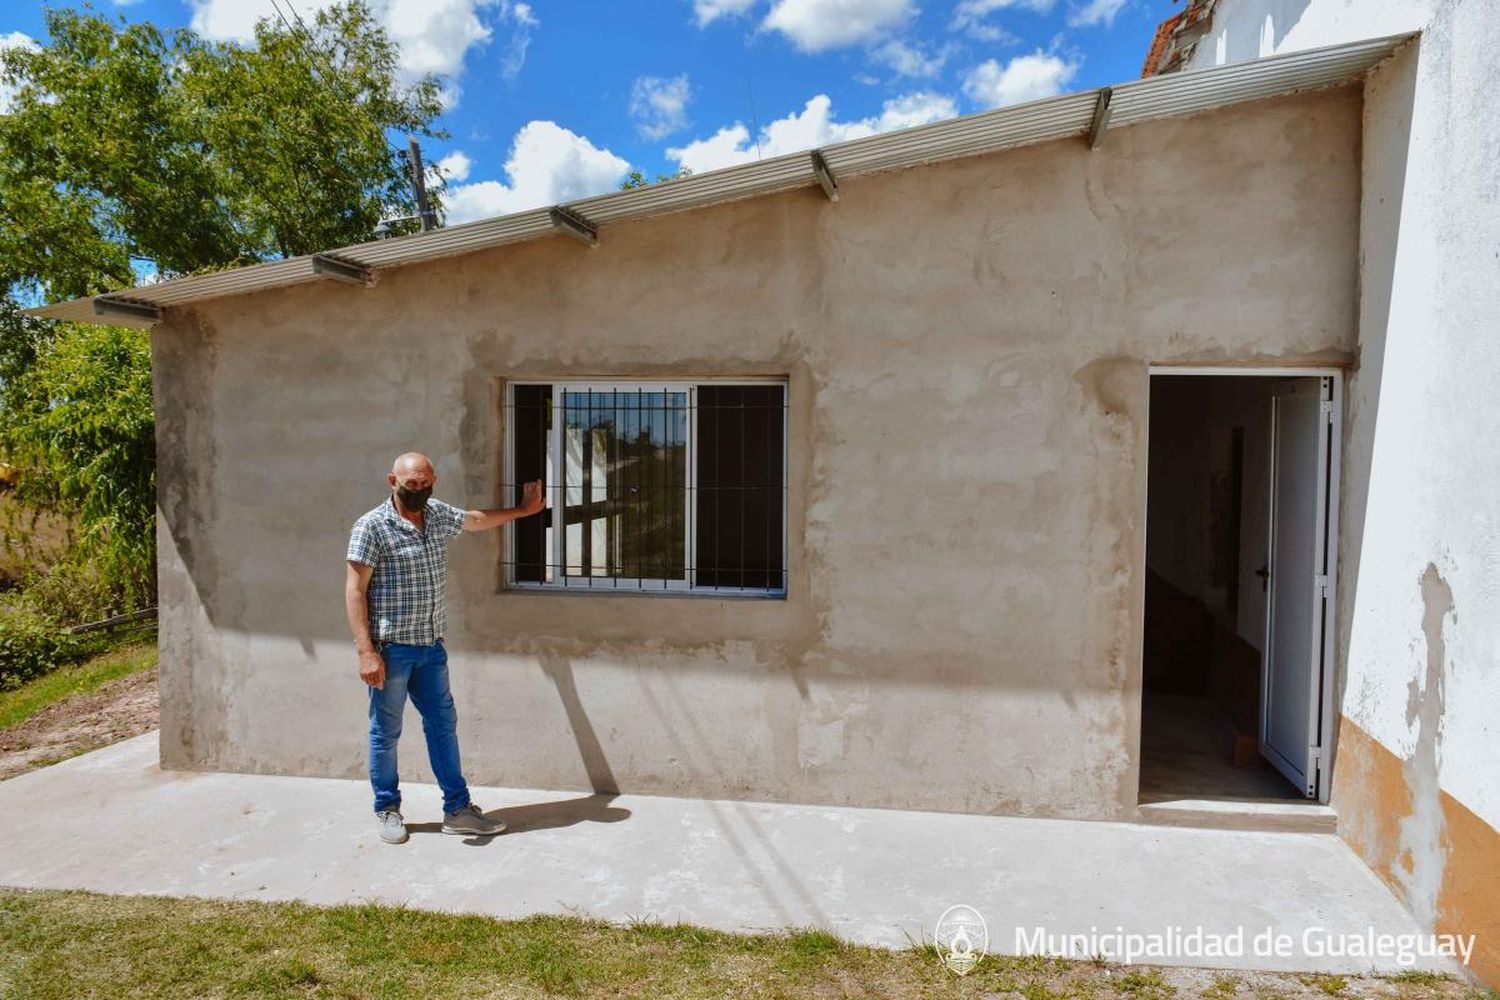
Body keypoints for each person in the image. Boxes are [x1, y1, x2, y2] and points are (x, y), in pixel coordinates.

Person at [345, 452, 545, 844]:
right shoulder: (372, 527)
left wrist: (522, 511)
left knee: (443, 728)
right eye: (410, 484)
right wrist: (365, 651)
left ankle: (457, 810)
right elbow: (355, 590)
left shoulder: (435, 515)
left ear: (432, 480)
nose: (418, 490)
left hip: (431, 648)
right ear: (392, 481)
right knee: (385, 732)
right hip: (392, 650)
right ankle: (387, 809)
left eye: (425, 483)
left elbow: (473, 520)